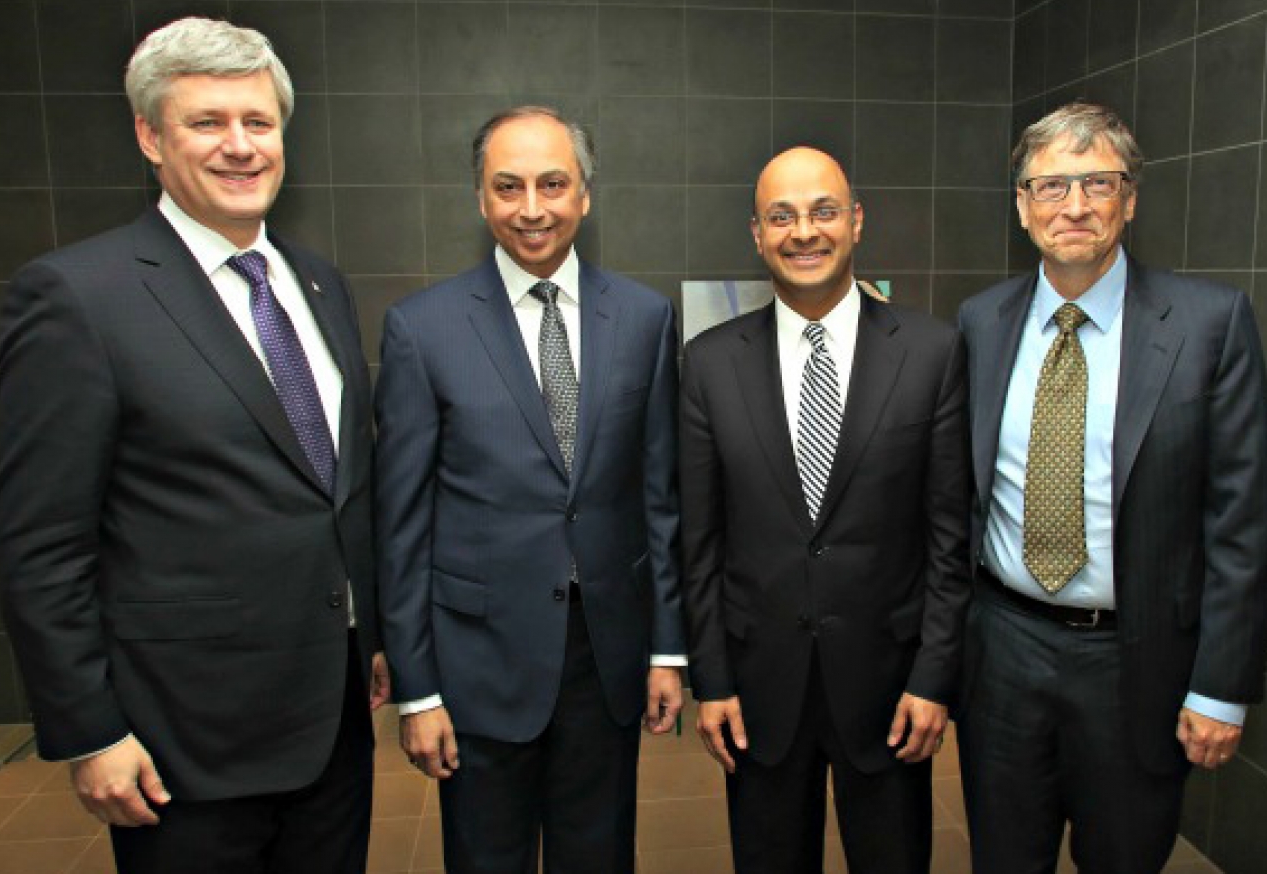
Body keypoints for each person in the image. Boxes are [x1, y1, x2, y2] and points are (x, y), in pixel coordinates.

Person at [0, 17, 386, 874]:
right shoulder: (76, 297)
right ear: (149, 136)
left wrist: (374, 631)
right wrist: (88, 730)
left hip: (331, 725)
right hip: (183, 748)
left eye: (259, 122)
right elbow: (39, 541)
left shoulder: (317, 282)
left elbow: (336, 486)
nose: (241, 147)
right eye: (208, 123)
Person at [956, 101, 1267, 873]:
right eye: (1050, 186)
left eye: (1098, 183)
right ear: (1023, 205)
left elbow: (1242, 521)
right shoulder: (979, 323)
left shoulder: (1209, 324)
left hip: (1138, 664)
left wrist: (1220, 688)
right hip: (1002, 651)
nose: (1075, 206)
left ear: (1130, 198)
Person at [374, 105, 685, 873]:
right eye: (507, 187)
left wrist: (667, 649)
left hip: (606, 656)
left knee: (599, 855)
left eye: (554, 184)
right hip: (478, 662)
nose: (532, 208)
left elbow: (660, 498)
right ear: (480, 199)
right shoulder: (422, 329)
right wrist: (418, 691)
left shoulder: (646, 319)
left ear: (585, 194)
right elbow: (401, 525)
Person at [680, 146, 972, 873]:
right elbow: (698, 542)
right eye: (782, 216)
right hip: (759, 687)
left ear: (856, 221)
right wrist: (710, 680)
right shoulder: (709, 361)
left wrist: (934, 678)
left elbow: (948, 538)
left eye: (823, 211)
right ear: (756, 233)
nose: (803, 231)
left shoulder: (932, 352)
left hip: (891, 689)